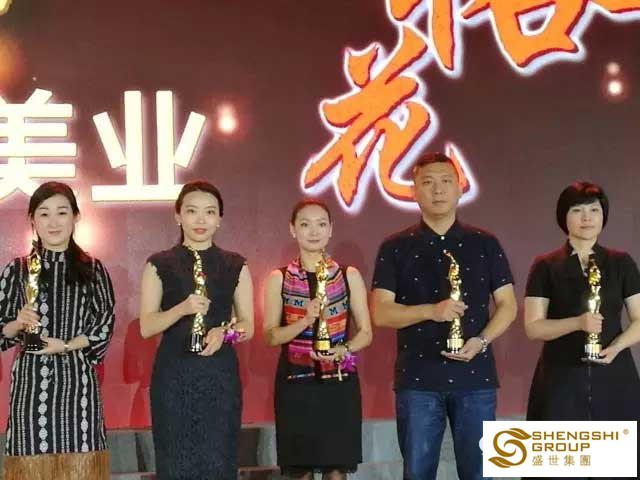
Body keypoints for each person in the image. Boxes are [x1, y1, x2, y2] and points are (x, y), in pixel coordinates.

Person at [371, 152, 517, 480]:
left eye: (446, 181)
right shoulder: (395, 247)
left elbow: (508, 305)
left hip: (475, 378)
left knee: (480, 474)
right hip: (418, 380)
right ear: (414, 191)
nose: (438, 190)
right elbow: (381, 312)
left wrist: (481, 341)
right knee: (417, 473)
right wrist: (431, 311)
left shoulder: (485, 243)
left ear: (460, 188)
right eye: (428, 182)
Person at [523, 181, 640, 479]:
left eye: (594, 210)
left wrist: (617, 347)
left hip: (615, 380)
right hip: (560, 381)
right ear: (564, 217)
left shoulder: (621, 263)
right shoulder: (545, 265)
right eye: (577, 210)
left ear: (603, 216)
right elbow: (534, 327)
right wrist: (577, 323)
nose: (587, 217)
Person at [139, 180, 254, 480]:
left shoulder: (235, 265)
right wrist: (181, 309)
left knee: (219, 460)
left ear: (219, 219)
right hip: (174, 377)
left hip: (219, 377)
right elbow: (147, 327)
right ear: (178, 216)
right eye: (192, 211)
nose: (201, 219)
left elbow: (248, 325)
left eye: (210, 212)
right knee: (175, 463)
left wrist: (224, 333)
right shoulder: (159, 264)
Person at [0, 181, 115, 480]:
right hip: (30, 386)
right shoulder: (17, 270)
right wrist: (17, 322)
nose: (53, 222)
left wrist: (64, 345)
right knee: (29, 463)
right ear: (32, 220)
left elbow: (104, 325)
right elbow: (2, 331)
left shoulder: (93, 269)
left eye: (62, 212)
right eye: (44, 213)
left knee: (82, 464)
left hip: (78, 384)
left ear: (75, 217)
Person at [263, 199, 372, 480]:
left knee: (336, 471)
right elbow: (271, 336)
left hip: (338, 385)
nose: (314, 231)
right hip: (295, 385)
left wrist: (343, 350)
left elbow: (366, 333)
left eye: (321, 224)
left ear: (330, 229)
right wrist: (304, 320)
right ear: (293, 229)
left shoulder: (348, 275)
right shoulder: (279, 278)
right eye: (305, 224)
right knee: (300, 472)